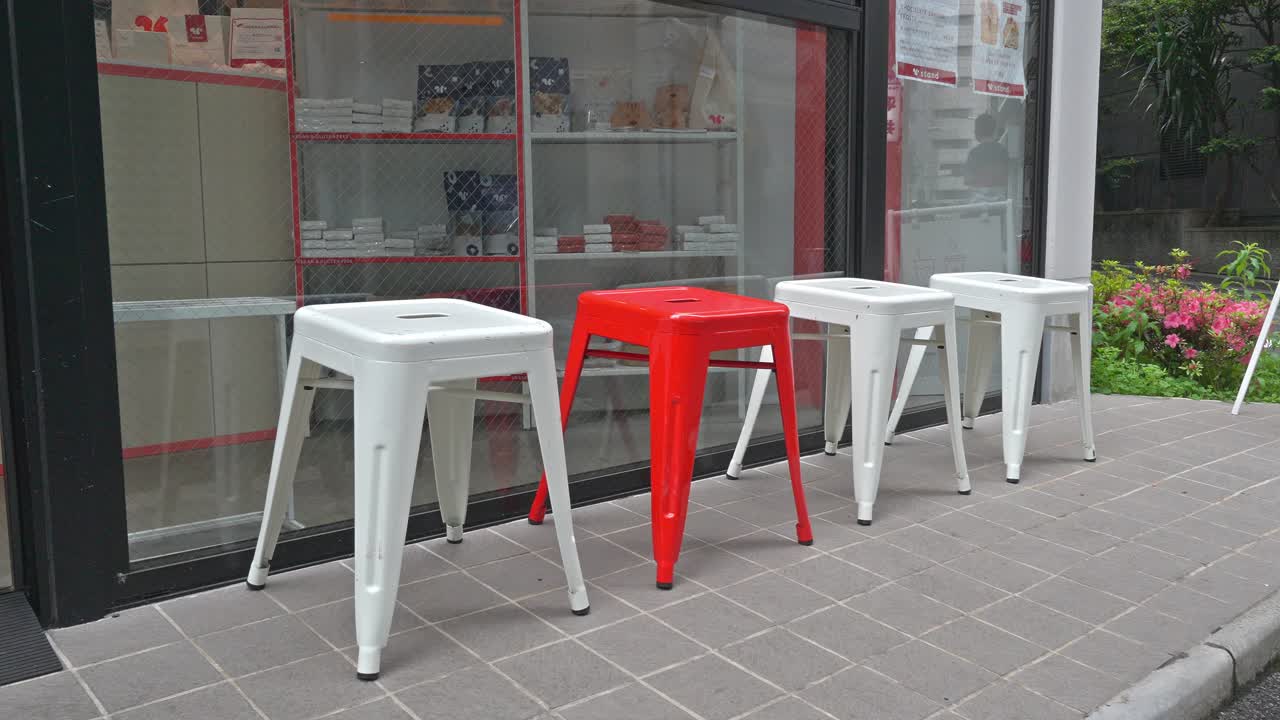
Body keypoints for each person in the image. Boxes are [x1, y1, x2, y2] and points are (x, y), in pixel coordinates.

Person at [964, 113, 1009, 200]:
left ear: (977, 132)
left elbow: (968, 180)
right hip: (1000, 200)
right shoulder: (1003, 151)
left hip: (980, 201)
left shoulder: (974, 153)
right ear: (994, 131)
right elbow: (1007, 176)